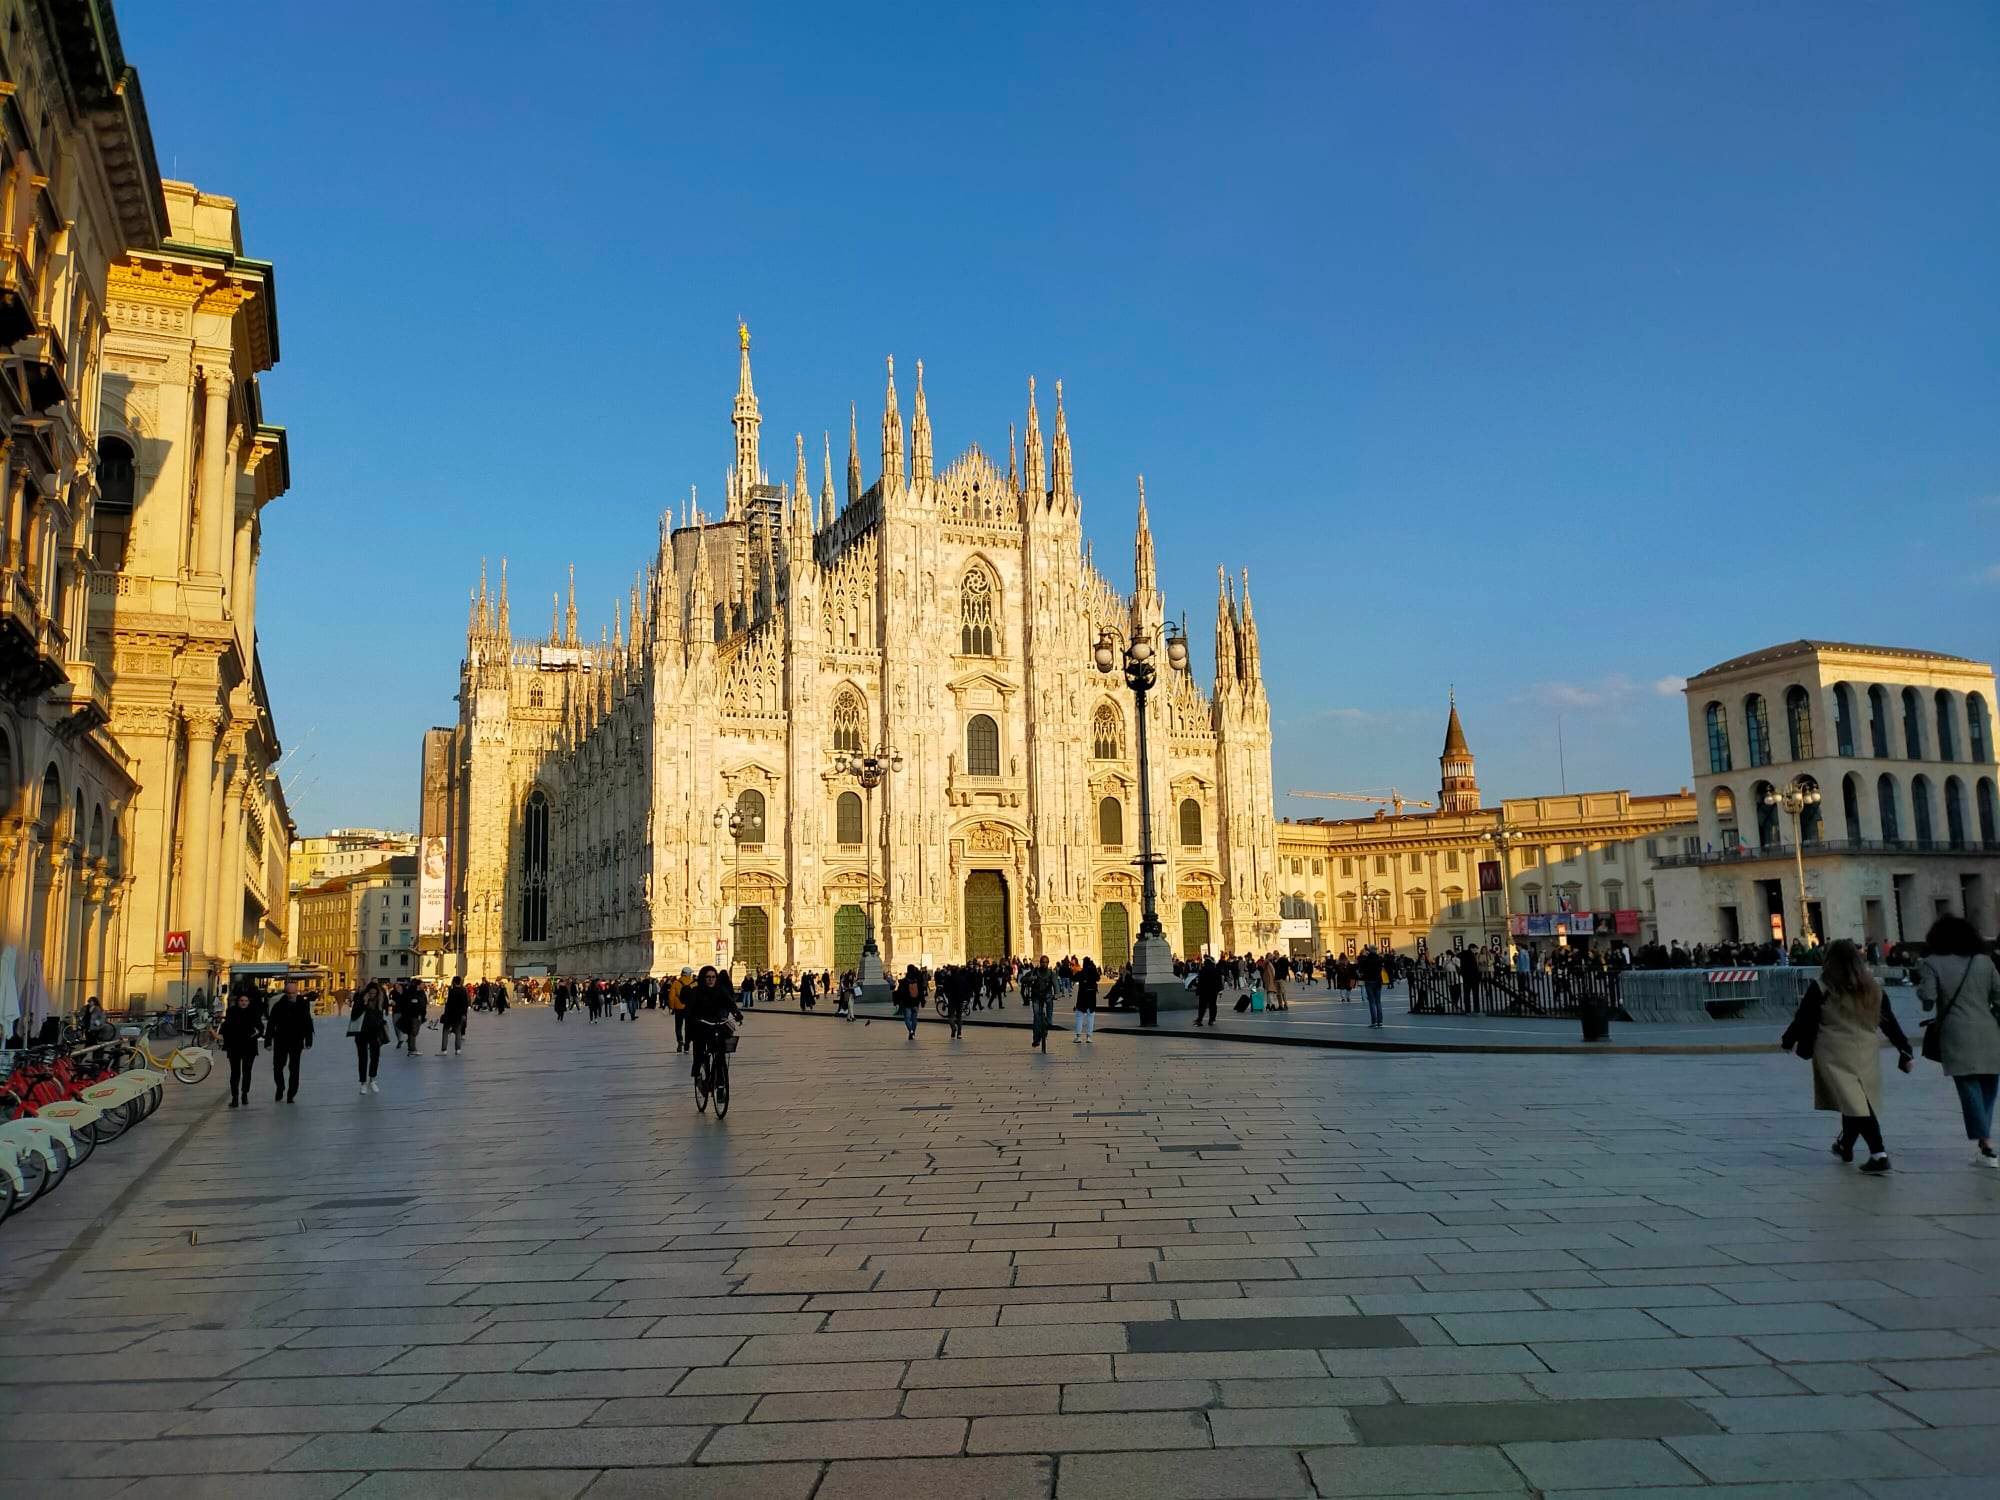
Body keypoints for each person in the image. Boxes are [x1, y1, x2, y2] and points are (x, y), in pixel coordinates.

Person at [1781, 939, 1912, 1174]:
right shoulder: (1872, 987)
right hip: (1866, 1050)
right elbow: (1889, 1021)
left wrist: (1788, 1040)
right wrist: (1905, 1049)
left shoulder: (1822, 986)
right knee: (1855, 1100)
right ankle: (1845, 1146)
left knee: (1855, 1103)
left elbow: (1804, 1018)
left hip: (1834, 1050)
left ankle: (1878, 1153)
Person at [1915, 914, 2000, 1167]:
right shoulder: (1983, 961)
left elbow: (1928, 999)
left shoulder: (1931, 963)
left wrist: (1921, 989)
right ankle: (1984, 1139)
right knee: (1989, 1087)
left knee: (1968, 1086)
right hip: (1990, 1031)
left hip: (1956, 1032)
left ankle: (1986, 1143)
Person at [684, 965, 742, 1080]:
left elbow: (730, 1003)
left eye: (713, 977)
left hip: (716, 1024)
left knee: (720, 1052)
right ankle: (698, 1073)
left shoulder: (720, 990)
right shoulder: (696, 992)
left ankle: (720, 1081)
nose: (711, 979)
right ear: (703, 978)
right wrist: (693, 1021)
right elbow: (689, 1011)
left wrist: (737, 1014)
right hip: (701, 1024)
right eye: (708, 977)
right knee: (699, 1051)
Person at [267, 981, 315, 1103]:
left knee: (294, 1068)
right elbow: (271, 1023)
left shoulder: (303, 1004)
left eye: (293, 993)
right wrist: (268, 1040)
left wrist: (308, 1039)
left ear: (297, 991)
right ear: (285, 992)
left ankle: (291, 1093)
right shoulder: (278, 1005)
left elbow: (307, 1022)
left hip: (296, 1040)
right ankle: (280, 1087)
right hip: (281, 1039)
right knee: (278, 1066)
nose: (291, 995)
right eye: (289, 993)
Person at [221, 988, 263, 1108]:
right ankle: (235, 1096)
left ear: (249, 1002)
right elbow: (226, 1027)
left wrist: (256, 1034)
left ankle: (245, 1093)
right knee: (235, 1073)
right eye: (241, 1000)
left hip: (249, 1046)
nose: (243, 1002)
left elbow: (260, 1028)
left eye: (245, 1000)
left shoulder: (254, 1012)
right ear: (238, 1001)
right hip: (234, 1046)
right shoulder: (231, 1011)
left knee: (247, 1072)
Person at [350, 983, 390, 1095]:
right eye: (371, 993)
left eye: (374, 994)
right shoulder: (360, 999)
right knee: (362, 1057)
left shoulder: (379, 1001)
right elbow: (354, 1015)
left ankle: (372, 1079)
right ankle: (363, 1082)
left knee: (375, 1056)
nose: (372, 995)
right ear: (367, 993)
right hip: (361, 1032)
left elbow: (380, 1016)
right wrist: (364, 1003)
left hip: (375, 1032)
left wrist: (383, 1024)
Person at [440, 977, 469, 1055]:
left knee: (445, 1031)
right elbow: (465, 1004)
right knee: (458, 1032)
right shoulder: (464, 991)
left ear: (454, 982)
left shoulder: (452, 991)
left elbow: (449, 1004)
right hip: (459, 1015)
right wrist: (464, 1014)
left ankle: (444, 1050)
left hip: (450, 1015)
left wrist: (445, 1013)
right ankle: (458, 1049)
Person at [1359, 945, 1387, 1029]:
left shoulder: (1366, 959)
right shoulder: (1379, 959)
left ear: (1369, 950)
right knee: (1378, 1002)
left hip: (1369, 981)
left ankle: (1374, 1021)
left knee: (1372, 1002)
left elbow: (1361, 966)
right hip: (1378, 981)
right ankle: (1380, 1021)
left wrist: (1364, 955)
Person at [1074, 955, 1099, 1044]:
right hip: (1091, 997)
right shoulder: (1093, 972)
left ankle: (1078, 1036)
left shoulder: (1082, 972)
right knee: (1091, 1016)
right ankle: (1089, 1036)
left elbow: (1075, 977)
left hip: (1082, 997)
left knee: (1079, 1016)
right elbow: (1098, 977)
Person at [895, 968, 924, 1040]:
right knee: (914, 1018)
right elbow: (921, 992)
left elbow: (899, 993)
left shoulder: (904, 981)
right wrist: (922, 1001)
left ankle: (910, 1031)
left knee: (907, 1018)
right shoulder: (917, 981)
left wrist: (897, 1002)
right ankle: (913, 1032)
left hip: (906, 1003)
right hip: (915, 1003)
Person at [1194, 954, 1222, 1028]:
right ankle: (1211, 1020)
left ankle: (1199, 1020)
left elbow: (1199, 982)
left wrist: (1198, 991)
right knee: (1213, 1006)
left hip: (1203, 992)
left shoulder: (1202, 970)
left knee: (1202, 1006)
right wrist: (1219, 990)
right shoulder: (1215, 970)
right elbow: (1219, 981)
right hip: (1213, 992)